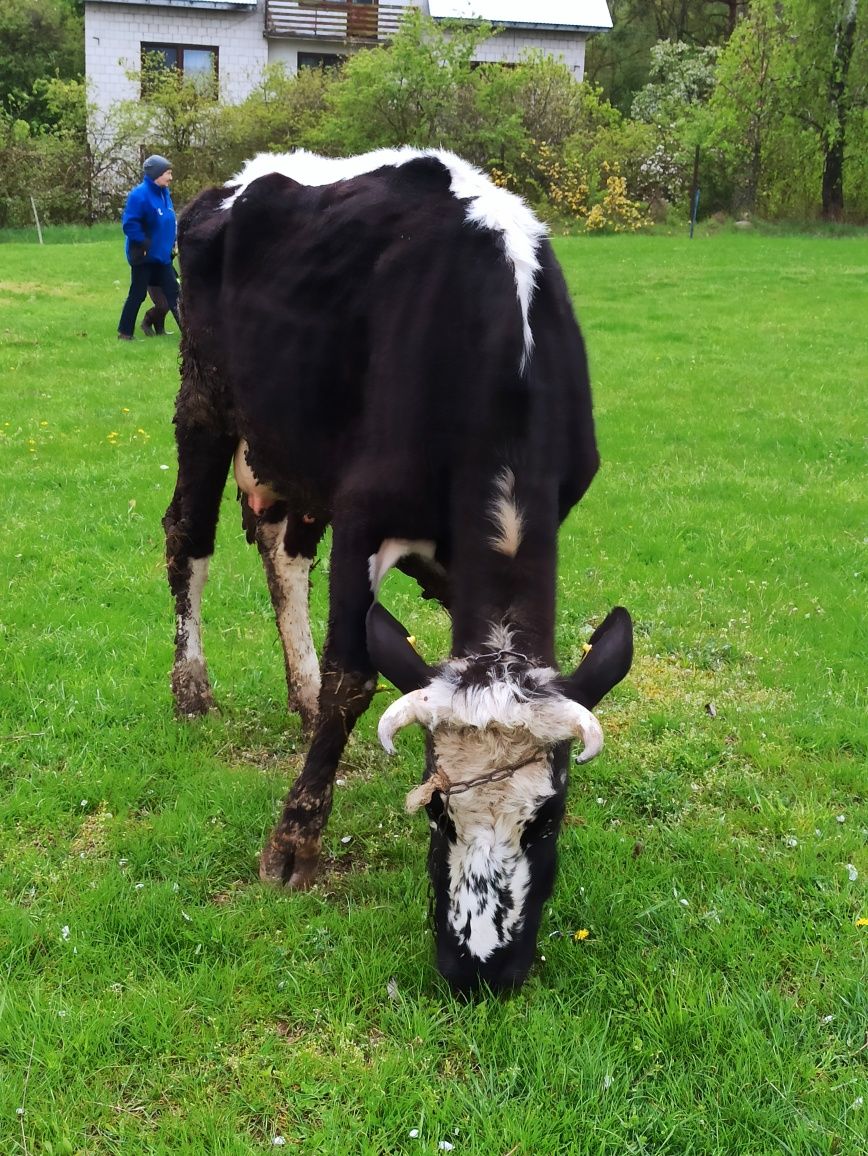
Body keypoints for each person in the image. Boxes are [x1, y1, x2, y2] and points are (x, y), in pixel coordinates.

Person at [117, 154, 181, 340]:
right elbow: (129, 224)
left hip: (162, 257)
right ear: (156, 174)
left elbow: (168, 220)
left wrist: (173, 241)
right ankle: (124, 333)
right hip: (144, 256)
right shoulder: (139, 195)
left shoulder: (164, 193)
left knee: (174, 295)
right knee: (137, 295)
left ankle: (189, 335)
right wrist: (144, 242)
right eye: (167, 173)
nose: (170, 177)